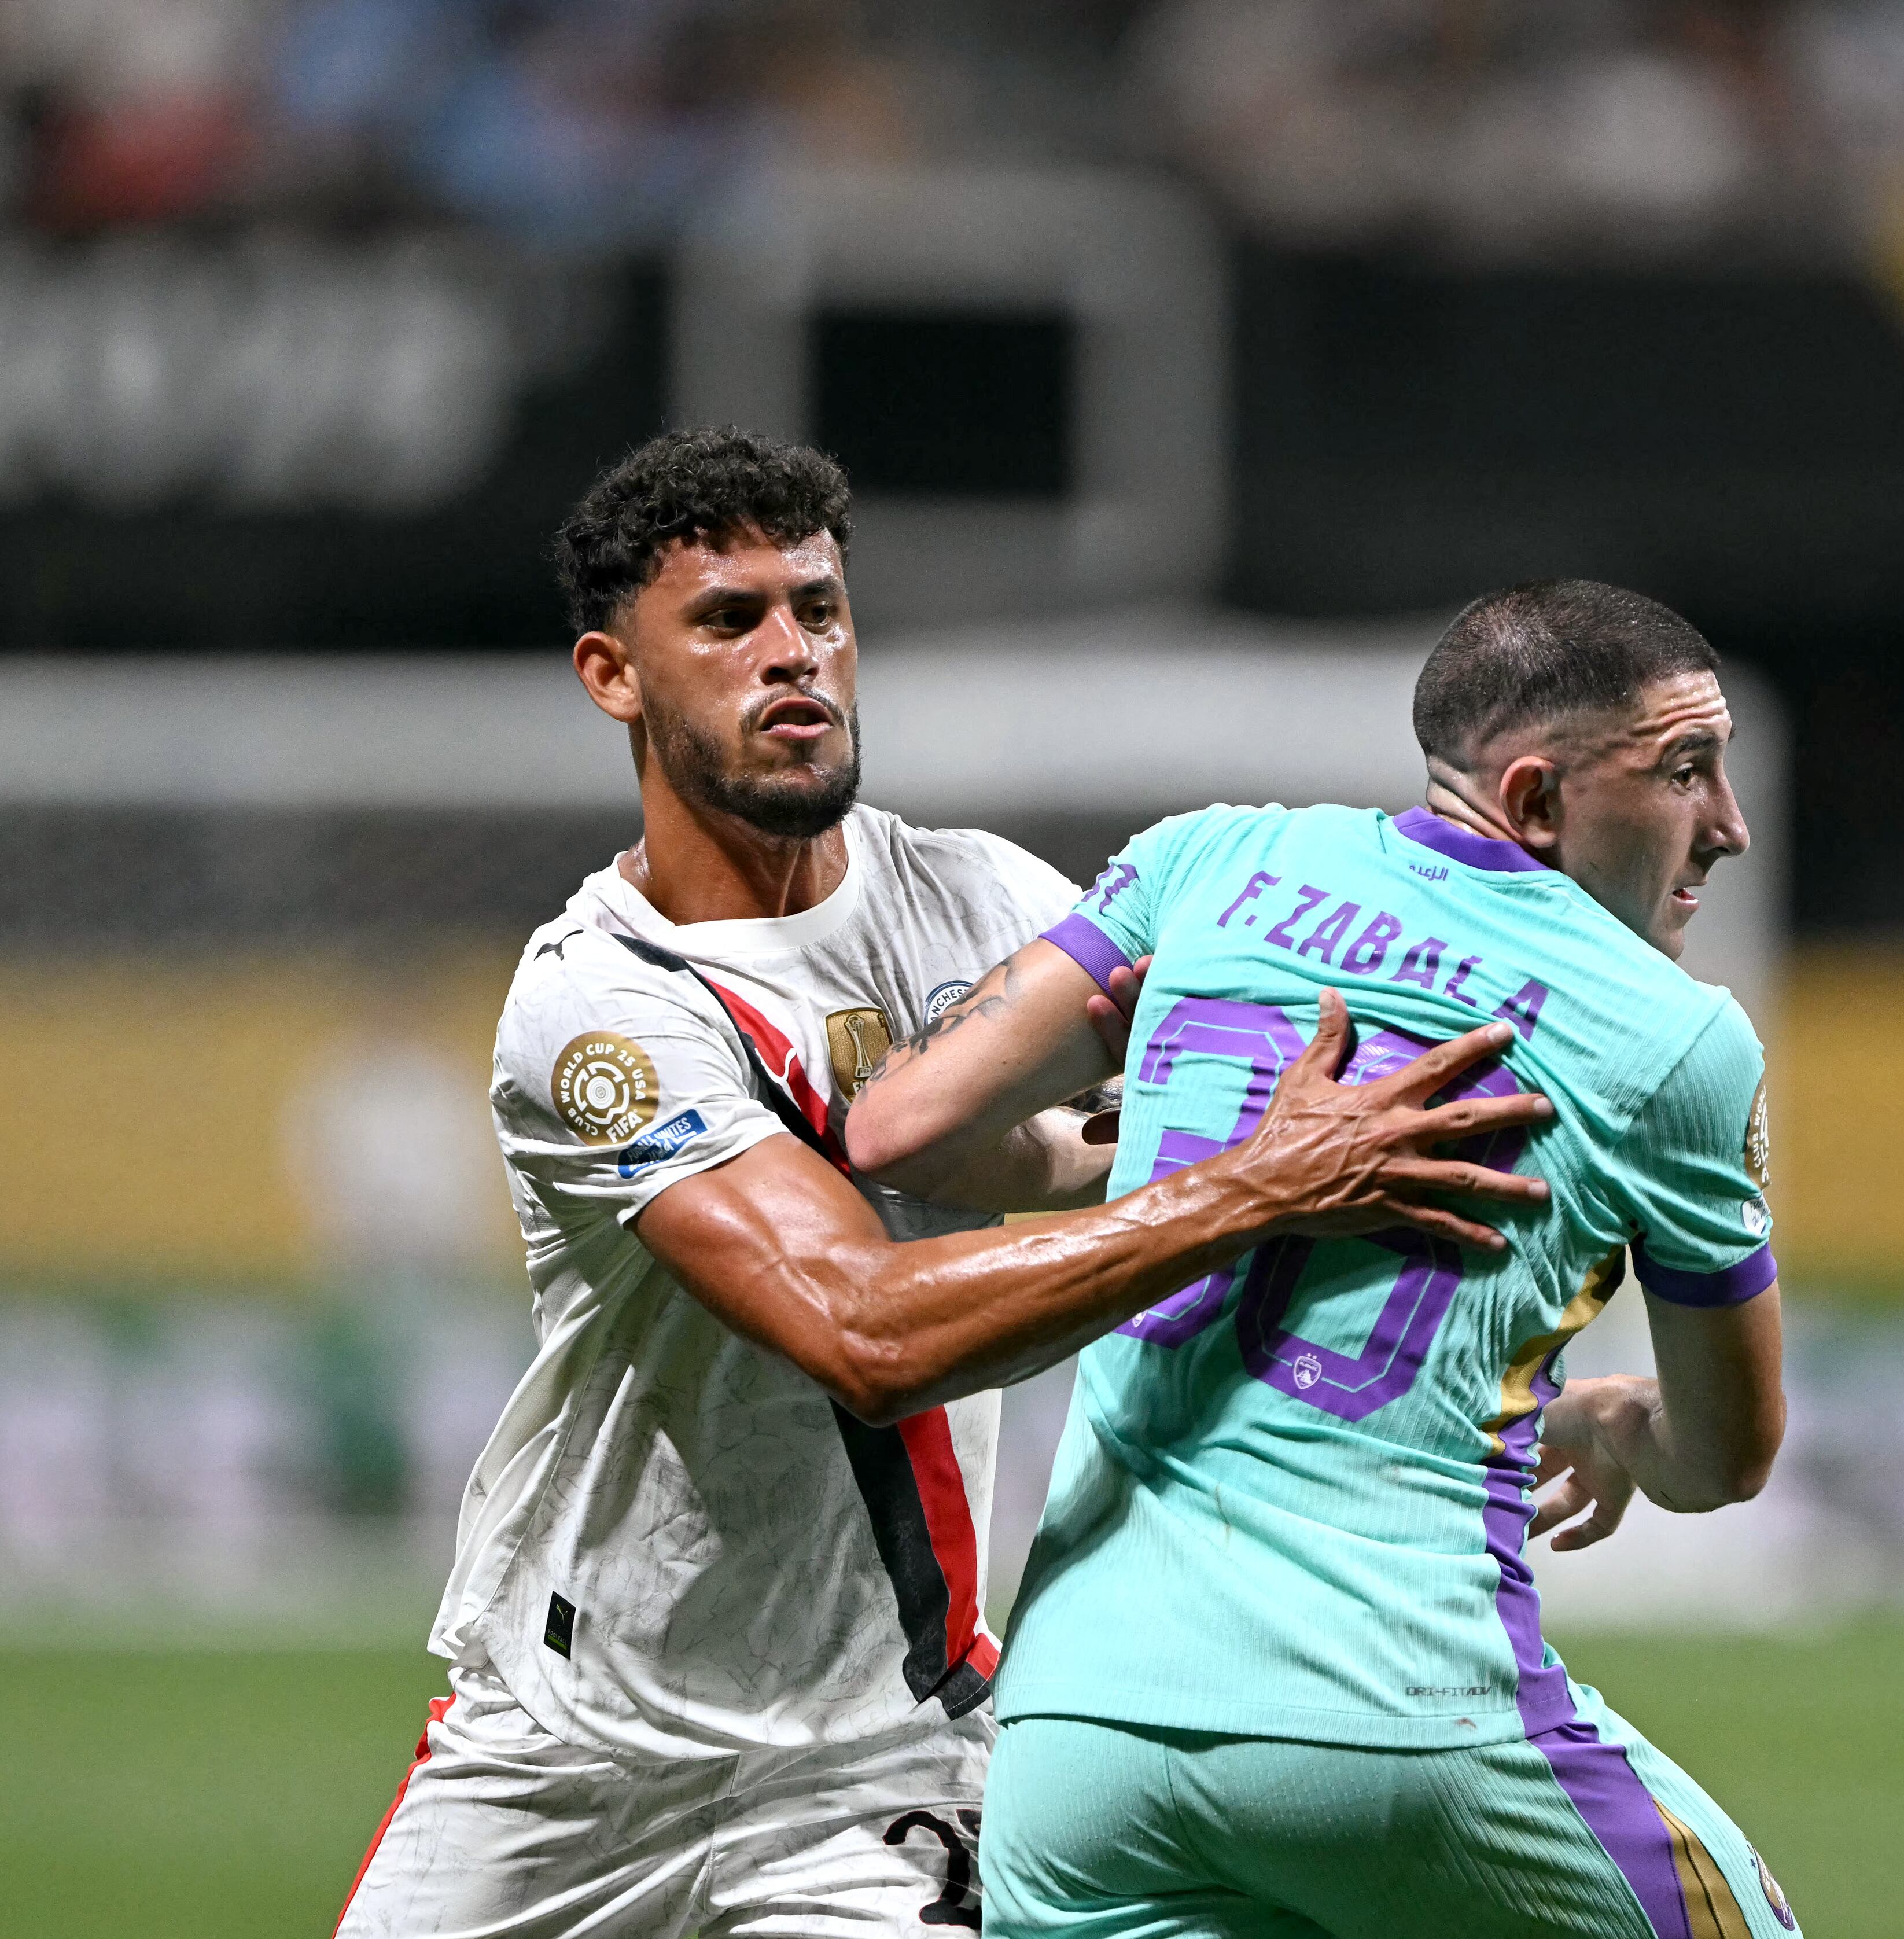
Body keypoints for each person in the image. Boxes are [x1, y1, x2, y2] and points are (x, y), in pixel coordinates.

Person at [336, 429, 1551, 1939]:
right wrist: (1247, 1189)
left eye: (818, 610)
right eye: (729, 620)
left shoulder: (989, 909)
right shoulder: (601, 1003)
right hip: (563, 1754)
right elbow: (864, 1328)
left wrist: (1505, 1344)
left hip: (881, 1765)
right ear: (613, 674)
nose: (794, 653)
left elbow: (1247, 1135)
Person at [848, 577, 1803, 1939]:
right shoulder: (1677, 1037)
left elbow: (897, 1128)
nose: (1730, 822)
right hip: (1395, 1718)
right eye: (1686, 769)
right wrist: (1624, 1426)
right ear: (1535, 799)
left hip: (1074, 1740)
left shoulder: (1208, 862)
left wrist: (1175, 1117)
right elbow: (1724, 1457)